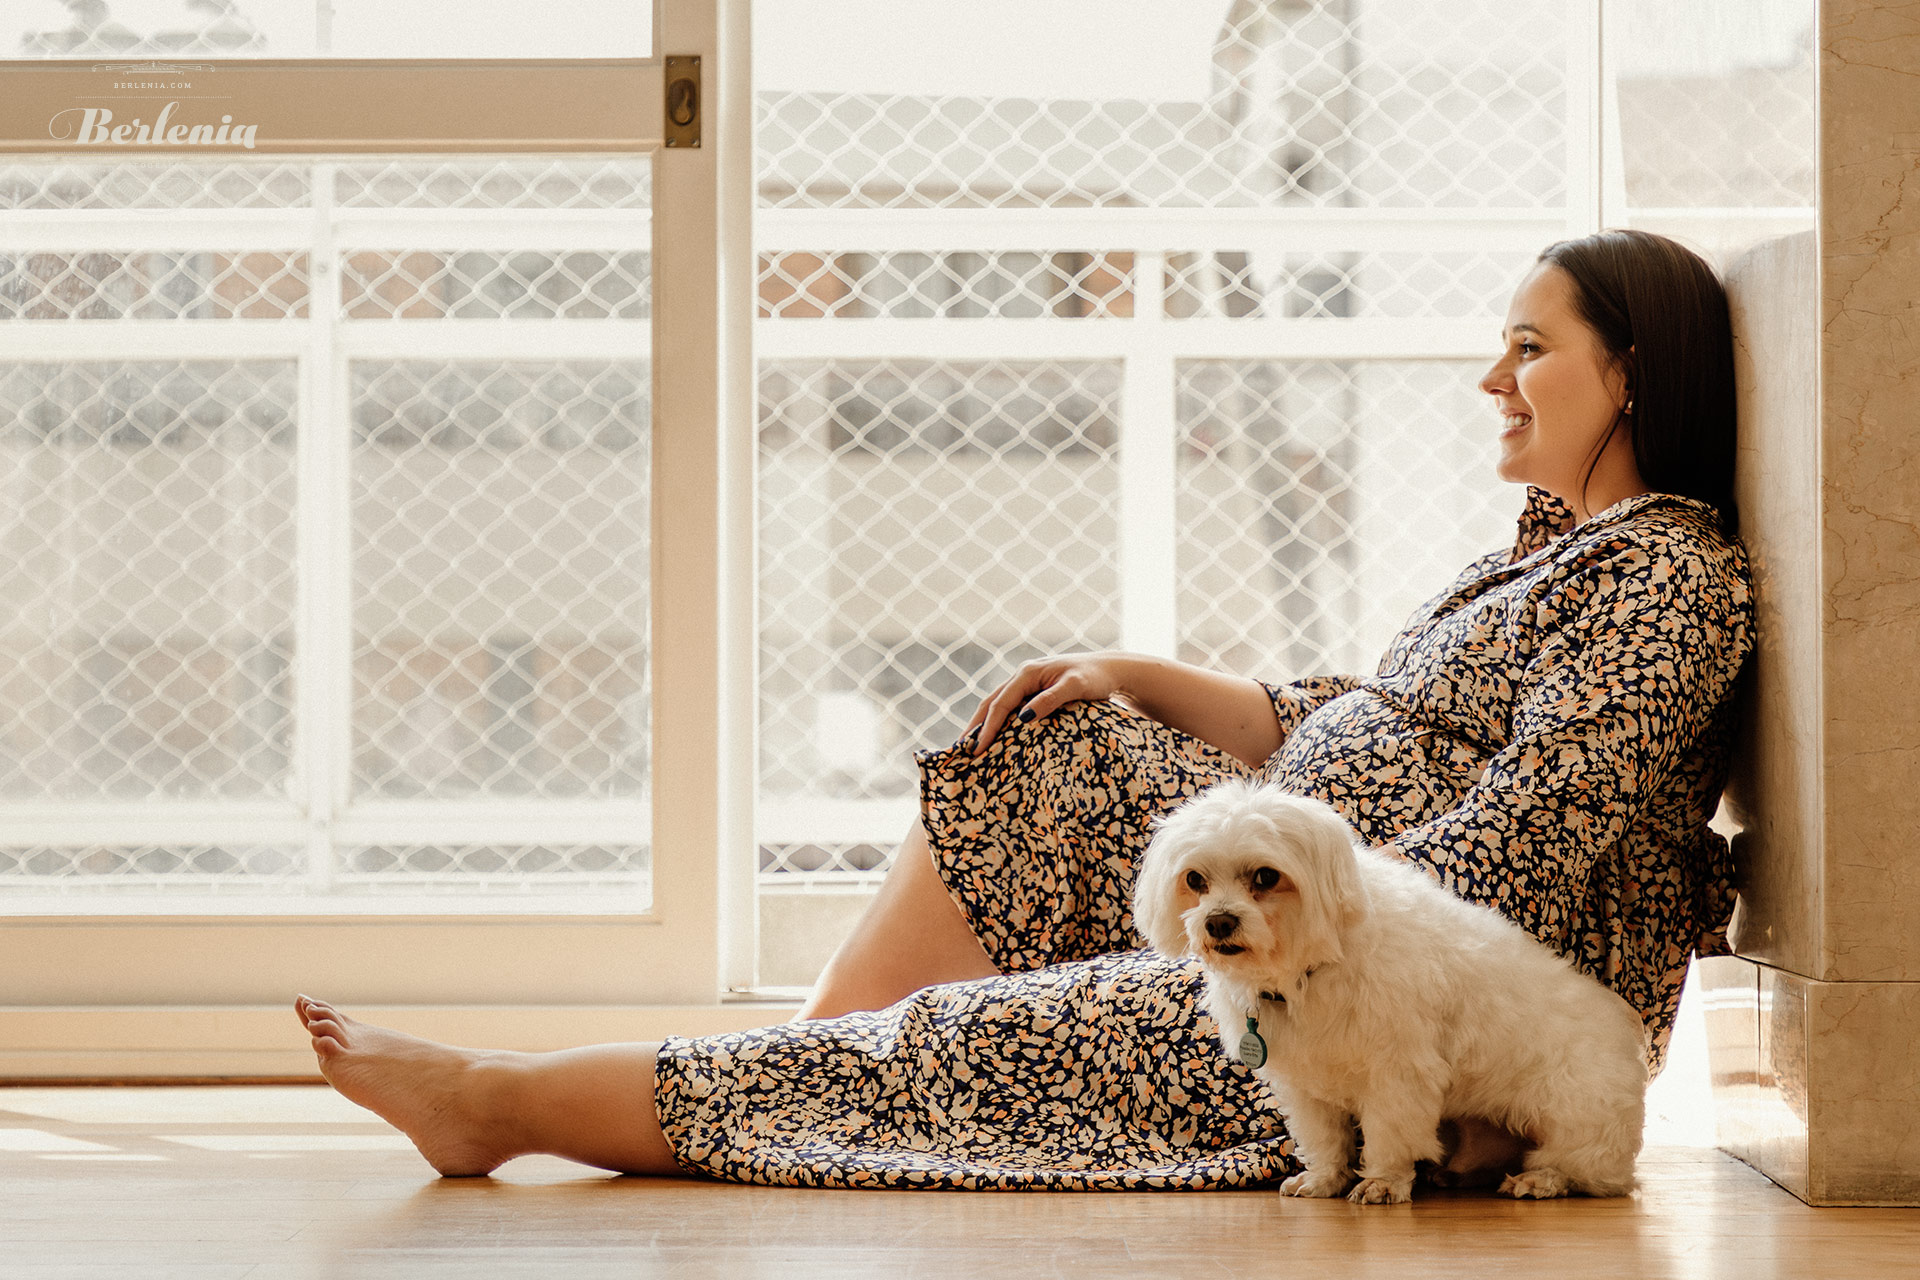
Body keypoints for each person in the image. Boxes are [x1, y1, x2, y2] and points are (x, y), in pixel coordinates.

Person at [293, 228, 1752, 1188]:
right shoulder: (1548, 558)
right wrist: (1130, 672)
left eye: (1532, 349)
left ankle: (512, 1102)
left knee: (986, 1050)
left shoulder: (1666, 580)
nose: (1492, 377)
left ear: (1630, 374)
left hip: (1405, 990)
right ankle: (767, 1095)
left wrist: (1291, 955)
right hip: (1318, 902)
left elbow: (1514, 858)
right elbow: (1340, 717)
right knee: (1043, 754)